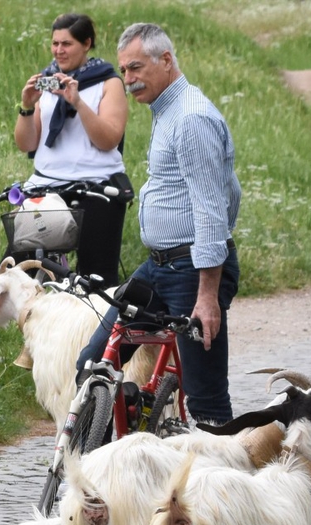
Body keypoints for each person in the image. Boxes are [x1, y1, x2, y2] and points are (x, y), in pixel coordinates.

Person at [77, 21, 242, 425]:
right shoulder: (166, 109)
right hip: (159, 267)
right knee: (93, 363)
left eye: (135, 69)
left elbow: (212, 207)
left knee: (207, 405)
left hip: (192, 273)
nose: (128, 80)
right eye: (124, 71)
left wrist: (207, 294)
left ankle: (216, 483)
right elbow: (230, 187)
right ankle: (108, 454)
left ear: (165, 60)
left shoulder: (190, 118)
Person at [0, 13, 128, 343]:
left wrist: (77, 102)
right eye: (54, 43)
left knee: (96, 276)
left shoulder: (109, 82)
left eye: (67, 44)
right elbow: (28, 144)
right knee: (16, 260)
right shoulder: (49, 80)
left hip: (98, 189)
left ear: (87, 44)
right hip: (47, 187)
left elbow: (108, 139)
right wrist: (26, 106)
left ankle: (98, 348)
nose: (58, 51)